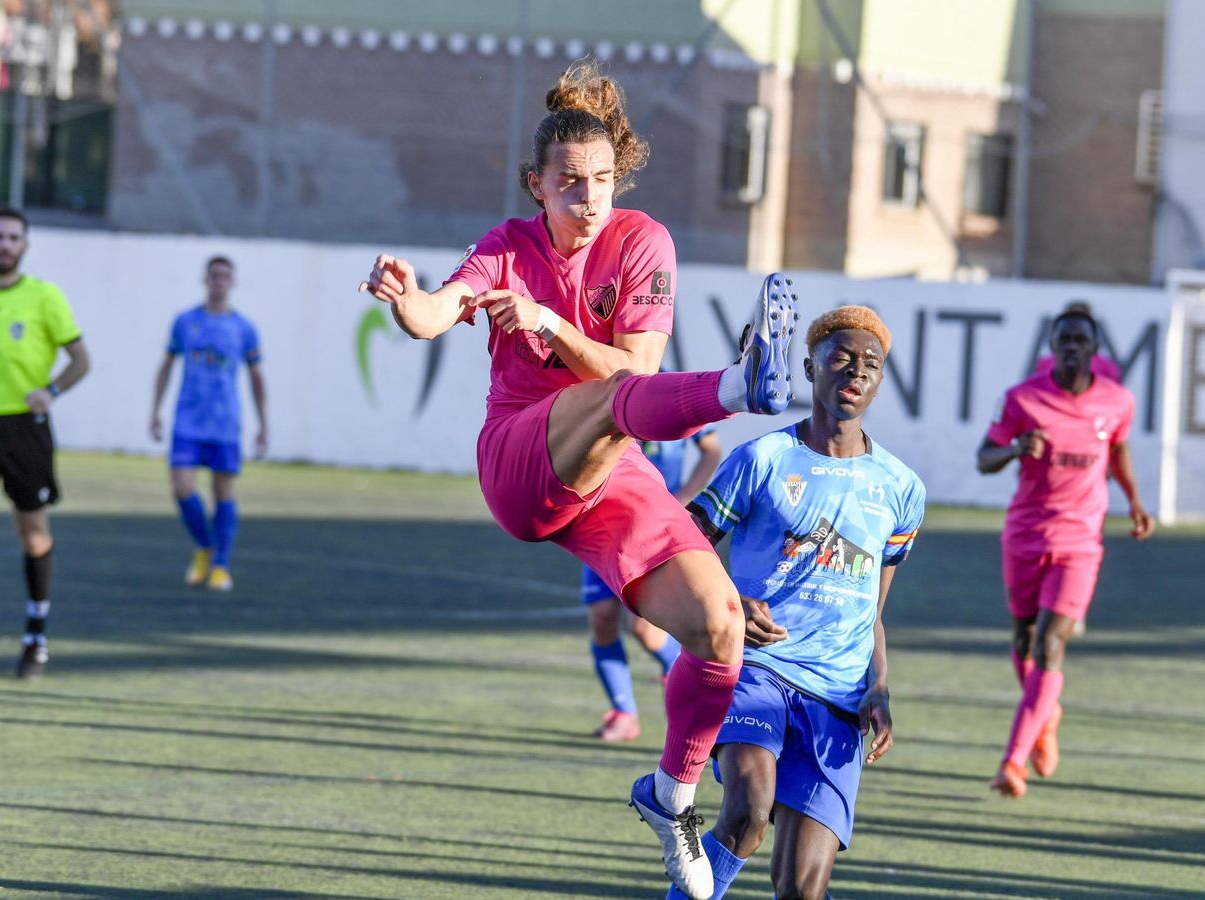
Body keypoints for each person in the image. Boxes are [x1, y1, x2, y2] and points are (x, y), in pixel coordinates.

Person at [357, 61, 797, 899]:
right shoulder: (504, 249)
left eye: (601, 182)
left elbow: (634, 373)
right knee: (603, 403)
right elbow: (434, 314)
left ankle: (670, 796)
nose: (588, 199)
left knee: (721, 625)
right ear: (537, 185)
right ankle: (741, 388)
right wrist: (404, 299)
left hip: (610, 468)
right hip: (520, 464)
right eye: (568, 184)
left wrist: (554, 324)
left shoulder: (643, 242)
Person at [672, 306, 925, 900]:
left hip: (838, 695)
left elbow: (874, 611)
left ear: (880, 380)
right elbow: (682, 544)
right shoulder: (761, 460)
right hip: (759, 671)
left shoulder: (901, 489)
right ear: (810, 368)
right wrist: (732, 594)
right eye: (840, 357)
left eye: (871, 363)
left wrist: (879, 688)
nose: (855, 371)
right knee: (747, 816)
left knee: (801, 892)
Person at [977, 309, 1150, 798]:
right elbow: (983, 456)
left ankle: (1013, 761)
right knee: (1024, 639)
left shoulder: (1118, 401)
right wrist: (1014, 450)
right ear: (1052, 346)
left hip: (1080, 541)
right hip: (1026, 535)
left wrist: (1135, 500)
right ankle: (1045, 713)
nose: (1072, 347)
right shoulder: (1021, 399)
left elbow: (1117, 448)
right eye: (1063, 340)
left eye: (1080, 339)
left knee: (1051, 643)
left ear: (1095, 348)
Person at [0, 207, 91, 679]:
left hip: (27, 428)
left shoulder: (45, 297)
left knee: (33, 535)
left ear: (24, 245)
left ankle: (36, 632)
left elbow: (80, 359)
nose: (4, 244)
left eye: (12, 237)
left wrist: (52, 391)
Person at [585, 427, 722, 741]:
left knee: (645, 629)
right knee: (602, 620)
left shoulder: (672, 394)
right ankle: (623, 713)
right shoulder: (604, 391)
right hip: (604, 522)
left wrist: (685, 498)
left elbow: (712, 449)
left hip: (654, 527)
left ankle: (684, 677)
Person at [149, 256, 268, 592]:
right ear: (205, 279)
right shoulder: (185, 322)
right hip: (188, 421)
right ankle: (205, 545)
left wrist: (263, 424)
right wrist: (155, 410)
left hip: (225, 424)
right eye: (214, 275)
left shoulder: (244, 328)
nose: (219, 281)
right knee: (182, 487)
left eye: (225, 276)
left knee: (223, 492)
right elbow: (166, 366)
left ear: (233, 282)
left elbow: (257, 377)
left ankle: (220, 565)